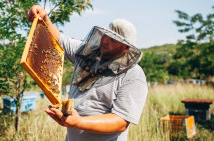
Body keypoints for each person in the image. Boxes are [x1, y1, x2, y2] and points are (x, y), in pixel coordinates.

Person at [27, 5, 148, 141]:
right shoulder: (87, 53)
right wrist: (44, 18)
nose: (106, 41)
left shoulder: (133, 75)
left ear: (126, 48)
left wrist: (79, 123)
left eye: (113, 40)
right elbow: (60, 41)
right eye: (106, 36)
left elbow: (121, 122)